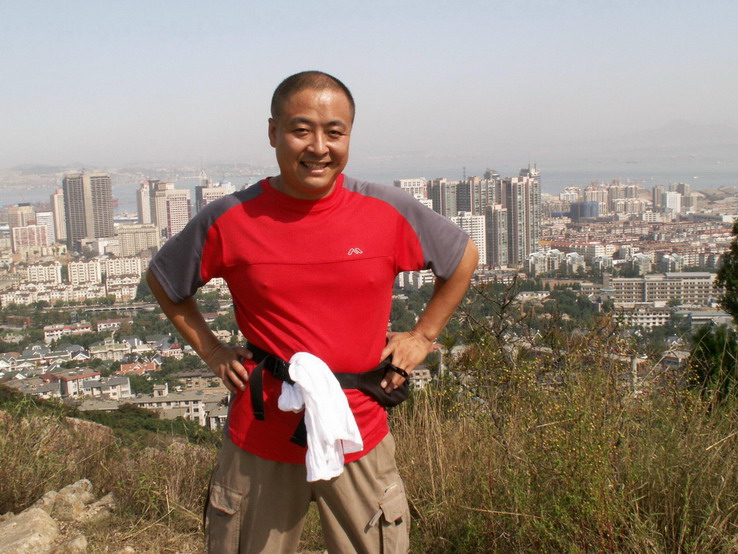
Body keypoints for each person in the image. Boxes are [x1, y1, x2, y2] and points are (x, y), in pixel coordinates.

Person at [146, 70, 478, 553]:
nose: (319, 147)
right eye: (301, 130)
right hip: (263, 433)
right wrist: (213, 351)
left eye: (334, 132)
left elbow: (462, 257)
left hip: (358, 428)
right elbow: (165, 279)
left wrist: (423, 336)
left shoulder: (384, 210)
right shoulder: (232, 217)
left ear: (349, 136)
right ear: (273, 132)